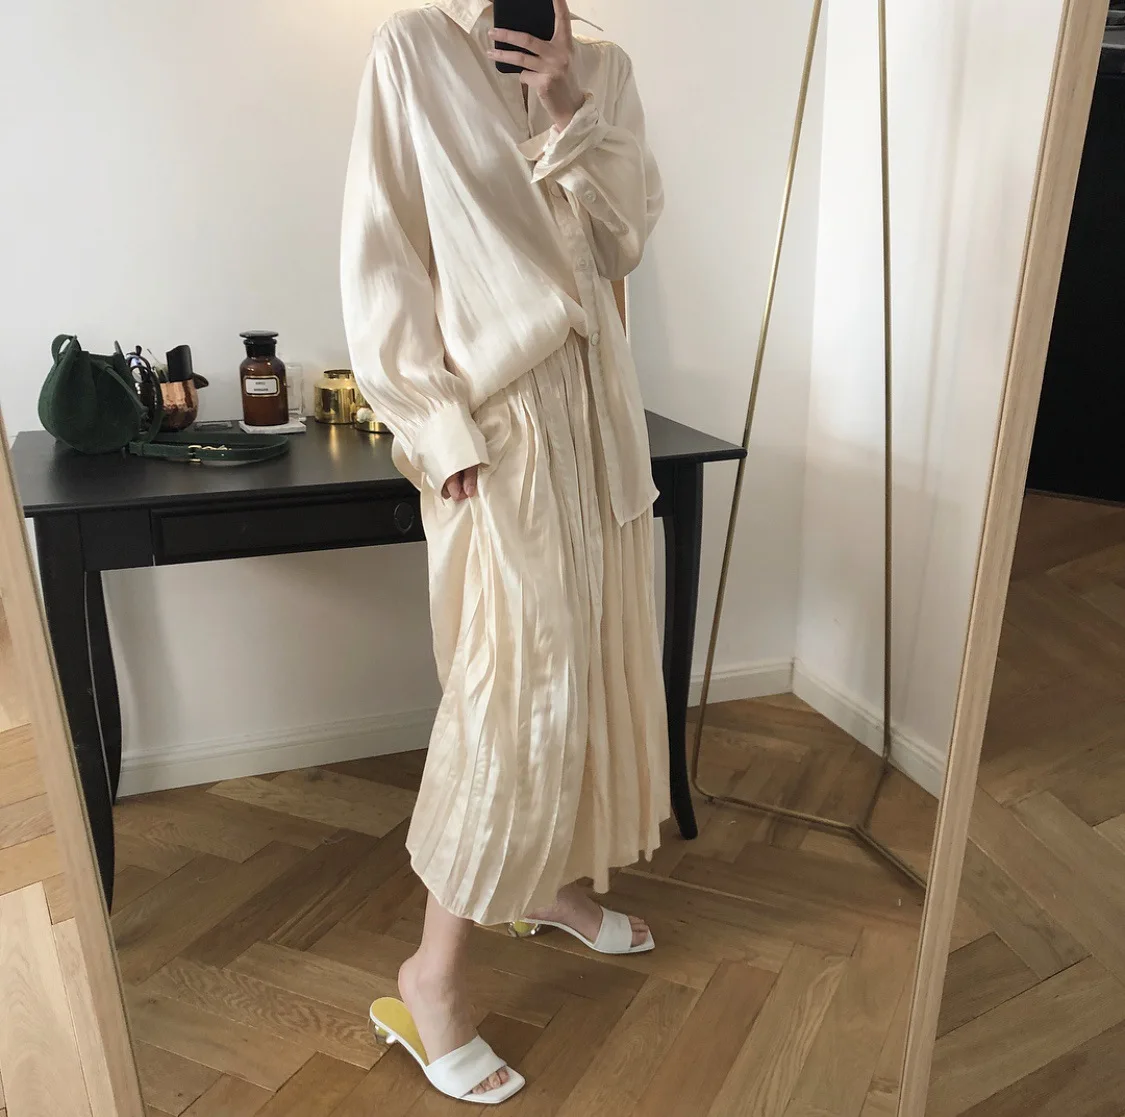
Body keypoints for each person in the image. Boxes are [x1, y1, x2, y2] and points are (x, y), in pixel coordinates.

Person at [340, 0, 668, 1103]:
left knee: (594, 662)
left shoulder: (605, 70)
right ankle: (429, 978)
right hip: (499, 431)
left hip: (601, 413)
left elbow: (620, 244)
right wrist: (434, 430)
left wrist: (568, 105)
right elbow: (383, 253)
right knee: (511, 686)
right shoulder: (413, 52)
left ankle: (550, 883)